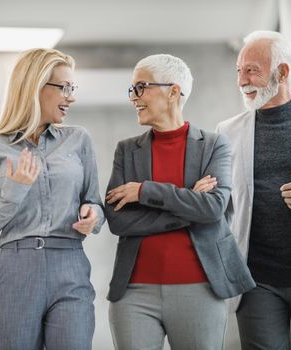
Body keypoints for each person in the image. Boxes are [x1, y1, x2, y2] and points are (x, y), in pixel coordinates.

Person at [105, 54, 255, 350]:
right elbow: (118, 219)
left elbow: (212, 208)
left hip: (199, 288)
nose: (133, 97)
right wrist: (189, 205)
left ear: (173, 91)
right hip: (133, 293)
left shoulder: (214, 145)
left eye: (141, 88)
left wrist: (145, 191)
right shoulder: (127, 151)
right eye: (132, 90)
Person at [0, 48, 105, 350]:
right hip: (18, 269)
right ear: (36, 86)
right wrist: (14, 191)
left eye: (73, 88)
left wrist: (93, 216)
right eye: (64, 87)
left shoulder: (79, 139)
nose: (71, 97)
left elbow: (95, 202)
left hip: (70, 263)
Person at [217, 30, 291, 350]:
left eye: (251, 70)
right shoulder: (226, 131)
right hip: (256, 282)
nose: (242, 80)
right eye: (239, 71)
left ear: (282, 72)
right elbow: (223, 206)